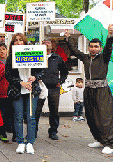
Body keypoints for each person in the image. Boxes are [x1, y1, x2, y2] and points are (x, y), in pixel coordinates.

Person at [65, 25, 113, 154]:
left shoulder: (104, 57)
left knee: (104, 117)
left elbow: (109, 48)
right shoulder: (86, 58)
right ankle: (98, 139)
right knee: (91, 116)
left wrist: (110, 35)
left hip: (102, 91)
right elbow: (75, 51)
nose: (93, 48)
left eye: (96, 46)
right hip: (89, 90)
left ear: (100, 48)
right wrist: (68, 38)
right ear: (88, 47)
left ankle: (109, 143)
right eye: (91, 46)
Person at [5, 33, 43, 154]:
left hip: (32, 90)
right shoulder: (11, 57)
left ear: (25, 42)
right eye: (15, 40)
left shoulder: (34, 53)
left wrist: (35, 77)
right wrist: (20, 82)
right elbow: (8, 75)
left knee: (31, 117)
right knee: (18, 116)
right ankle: (20, 142)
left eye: (20, 40)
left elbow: (42, 71)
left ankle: (30, 142)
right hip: (18, 91)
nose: (18, 42)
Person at [35, 37, 69, 140]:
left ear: (51, 45)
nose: (46, 44)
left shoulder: (57, 58)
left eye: (48, 43)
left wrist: (61, 81)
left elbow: (64, 71)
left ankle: (53, 131)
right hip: (40, 87)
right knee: (37, 110)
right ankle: (34, 131)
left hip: (54, 87)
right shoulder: (37, 56)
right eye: (43, 42)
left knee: (54, 111)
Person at [0, 43, 13, 142]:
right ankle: (2, 132)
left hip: (12, 91)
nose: (2, 51)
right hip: (1, 92)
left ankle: (12, 130)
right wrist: (4, 72)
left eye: (3, 49)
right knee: (3, 113)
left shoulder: (11, 60)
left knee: (12, 112)